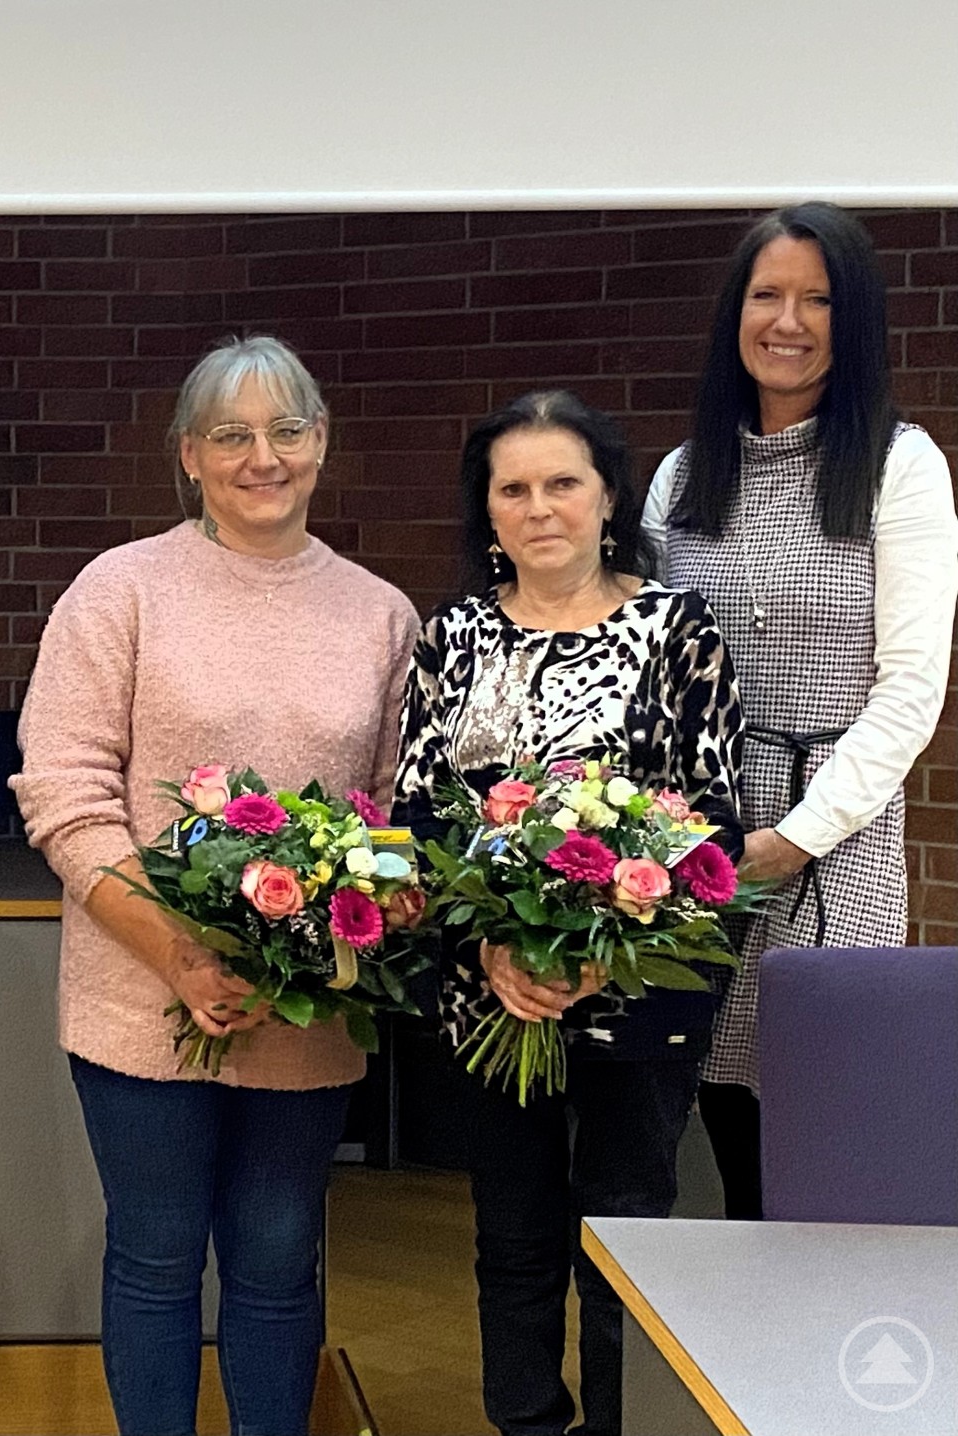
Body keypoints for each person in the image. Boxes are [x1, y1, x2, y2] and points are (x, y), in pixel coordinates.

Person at [10, 335, 419, 1436]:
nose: (262, 456)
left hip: (306, 1003)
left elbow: (392, 810)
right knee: (153, 1253)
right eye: (231, 435)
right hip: (138, 995)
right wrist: (182, 953)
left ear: (322, 441)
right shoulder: (120, 589)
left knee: (281, 1257)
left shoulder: (381, 614)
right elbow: (63, 791)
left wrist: (342, 922)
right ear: (188, 454)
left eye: (287, 429)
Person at [392, 391, 746, 1436]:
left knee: (626, 1234)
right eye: (514, 488)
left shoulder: (677, 628)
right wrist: (496, 943)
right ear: (488, 512)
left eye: (563, 482)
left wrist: (600, 948)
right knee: (511, 1237)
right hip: (491, 999)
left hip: (635, 995)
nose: (539, 506)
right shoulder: (451, 636)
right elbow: (420, 816)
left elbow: (709, 825)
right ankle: (527, 1423)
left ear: (608, 498)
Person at [643, 202, 958, 1223]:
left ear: (854, 319)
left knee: (826, 1160)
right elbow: (636, 657)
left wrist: (799, 833)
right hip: (698, 848)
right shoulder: (683, 475)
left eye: (818, 298)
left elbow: (910, 687)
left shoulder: (899, 465)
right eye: (767, 293)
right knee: (725, 1140)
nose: (789, 319)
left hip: (835, 843)